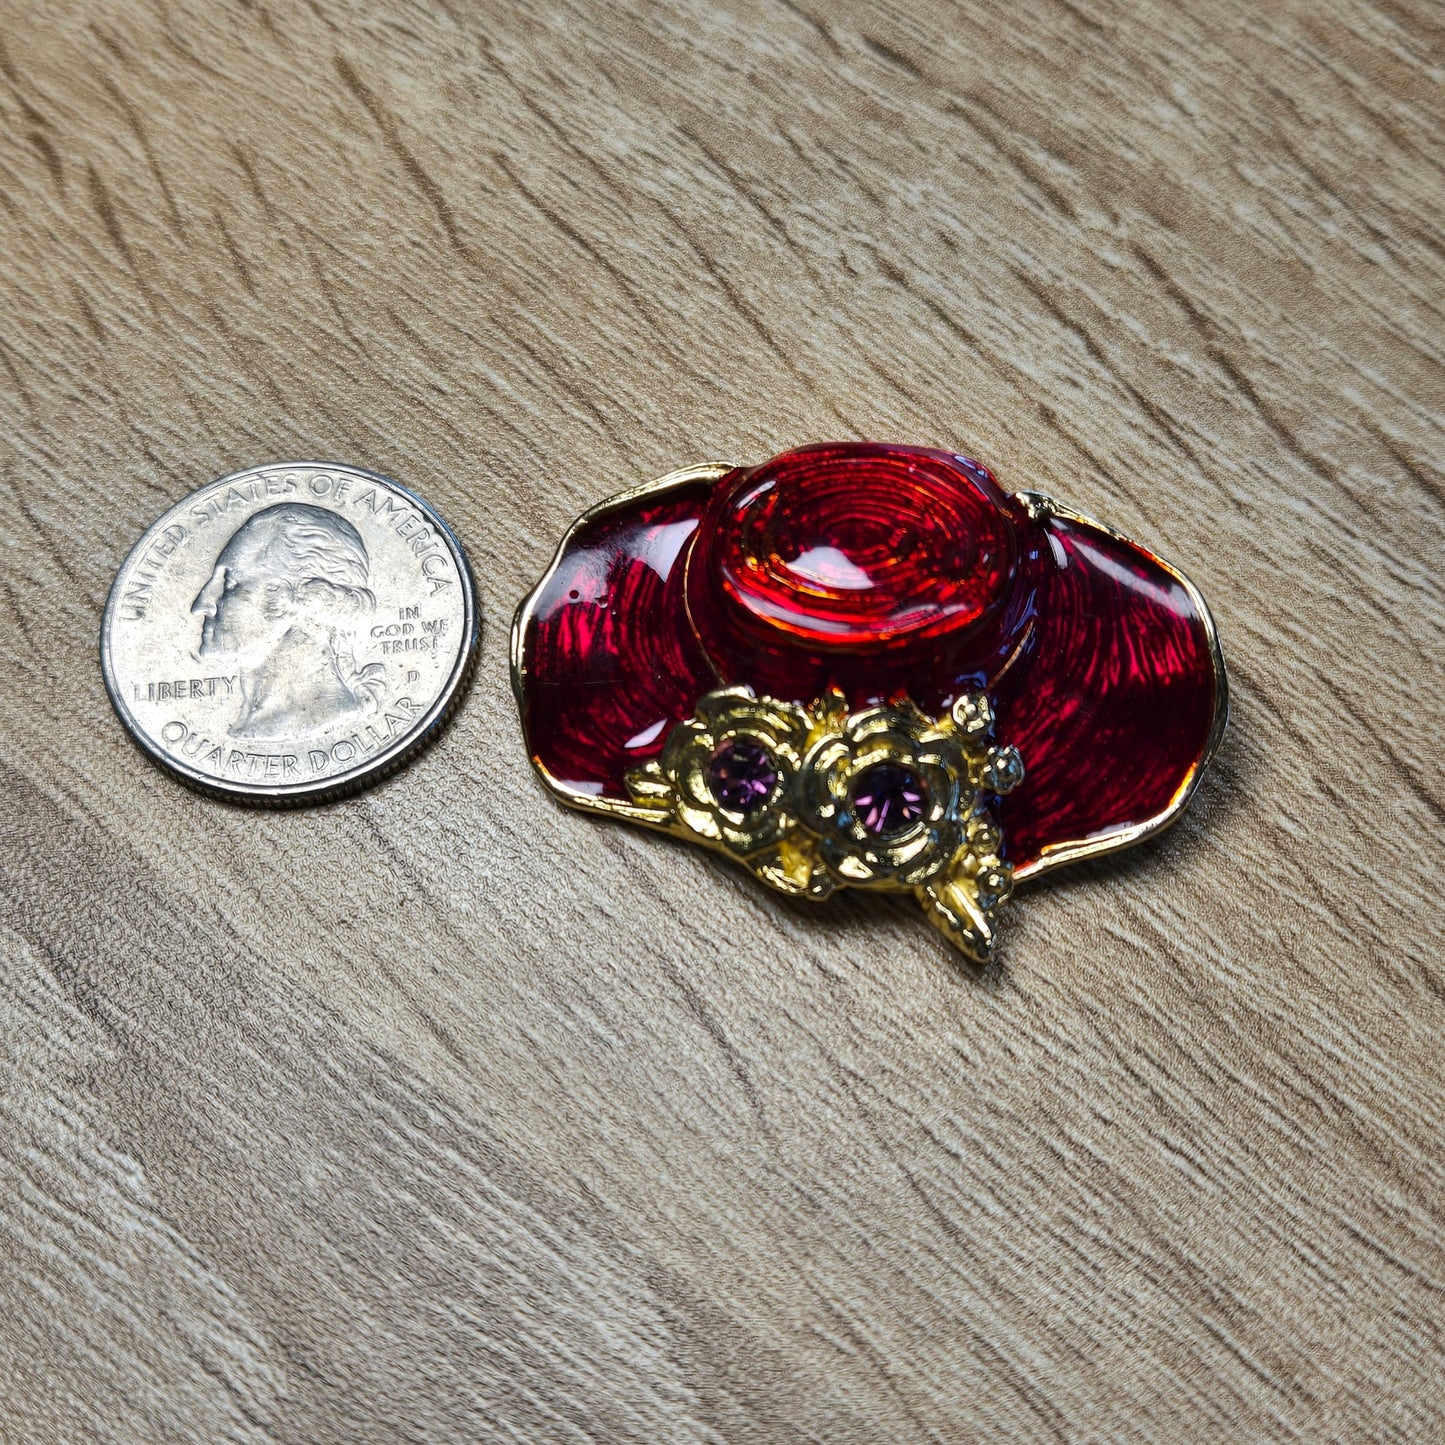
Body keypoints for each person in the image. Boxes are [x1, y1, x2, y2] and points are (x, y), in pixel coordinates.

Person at [191, 503, 383, 738]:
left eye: (230, 583)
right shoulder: (252, 727)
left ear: (295, 598)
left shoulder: (318, 721)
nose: (201, 606)